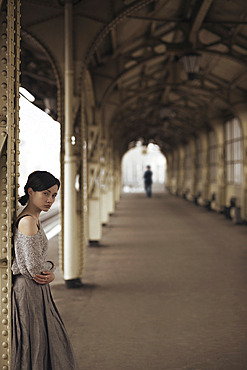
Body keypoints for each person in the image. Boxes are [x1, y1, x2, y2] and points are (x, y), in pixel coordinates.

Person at [11, 171, 79, 370]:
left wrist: (48, 269)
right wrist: (51, 267)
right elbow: (34, 267)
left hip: (34, 288)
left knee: (39, 339)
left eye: (54, 195)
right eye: (46, 193)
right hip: (29, 289)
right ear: (31, 192)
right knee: (35, 341)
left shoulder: (33, 218)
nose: (50, 200)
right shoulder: (28, 221)